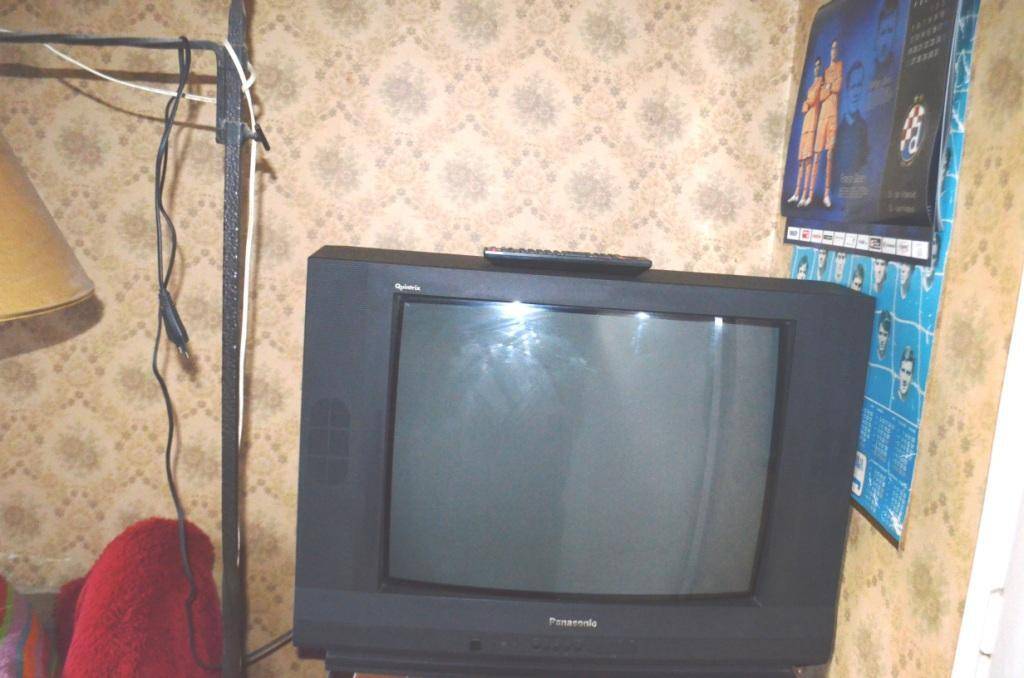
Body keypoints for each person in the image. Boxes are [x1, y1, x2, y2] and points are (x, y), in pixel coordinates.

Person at [807, 40, 843, 207]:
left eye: (837, 48)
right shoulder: (826, 72)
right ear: (830, 50)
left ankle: (826, 194)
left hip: (833, 115)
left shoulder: (840, 66)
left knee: (829, 154)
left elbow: (838, 86)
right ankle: (810, 194)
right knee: (817, 155)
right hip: (822, 116)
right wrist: (829, 86)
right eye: (832, 47)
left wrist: (829, 87)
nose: (834, 50)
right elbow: (820, 97)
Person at [789, 58, 824, 206]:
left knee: (808, 160)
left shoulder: (820, 82)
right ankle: (797, 193)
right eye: (815, 66)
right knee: (801, 161)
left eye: (818, 66)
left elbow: (812, 100)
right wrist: (806, 104)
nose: (816, 69)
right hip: (806, 123)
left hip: (813, 123)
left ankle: (805, 195)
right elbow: (806, 105)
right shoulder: (812, 84)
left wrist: (806, 103)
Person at [834, 61, 869, 175]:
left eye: (859, 85)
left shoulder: (864, 127)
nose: (856, 92)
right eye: (853, 86)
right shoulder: (838, 128)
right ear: (847, 89)